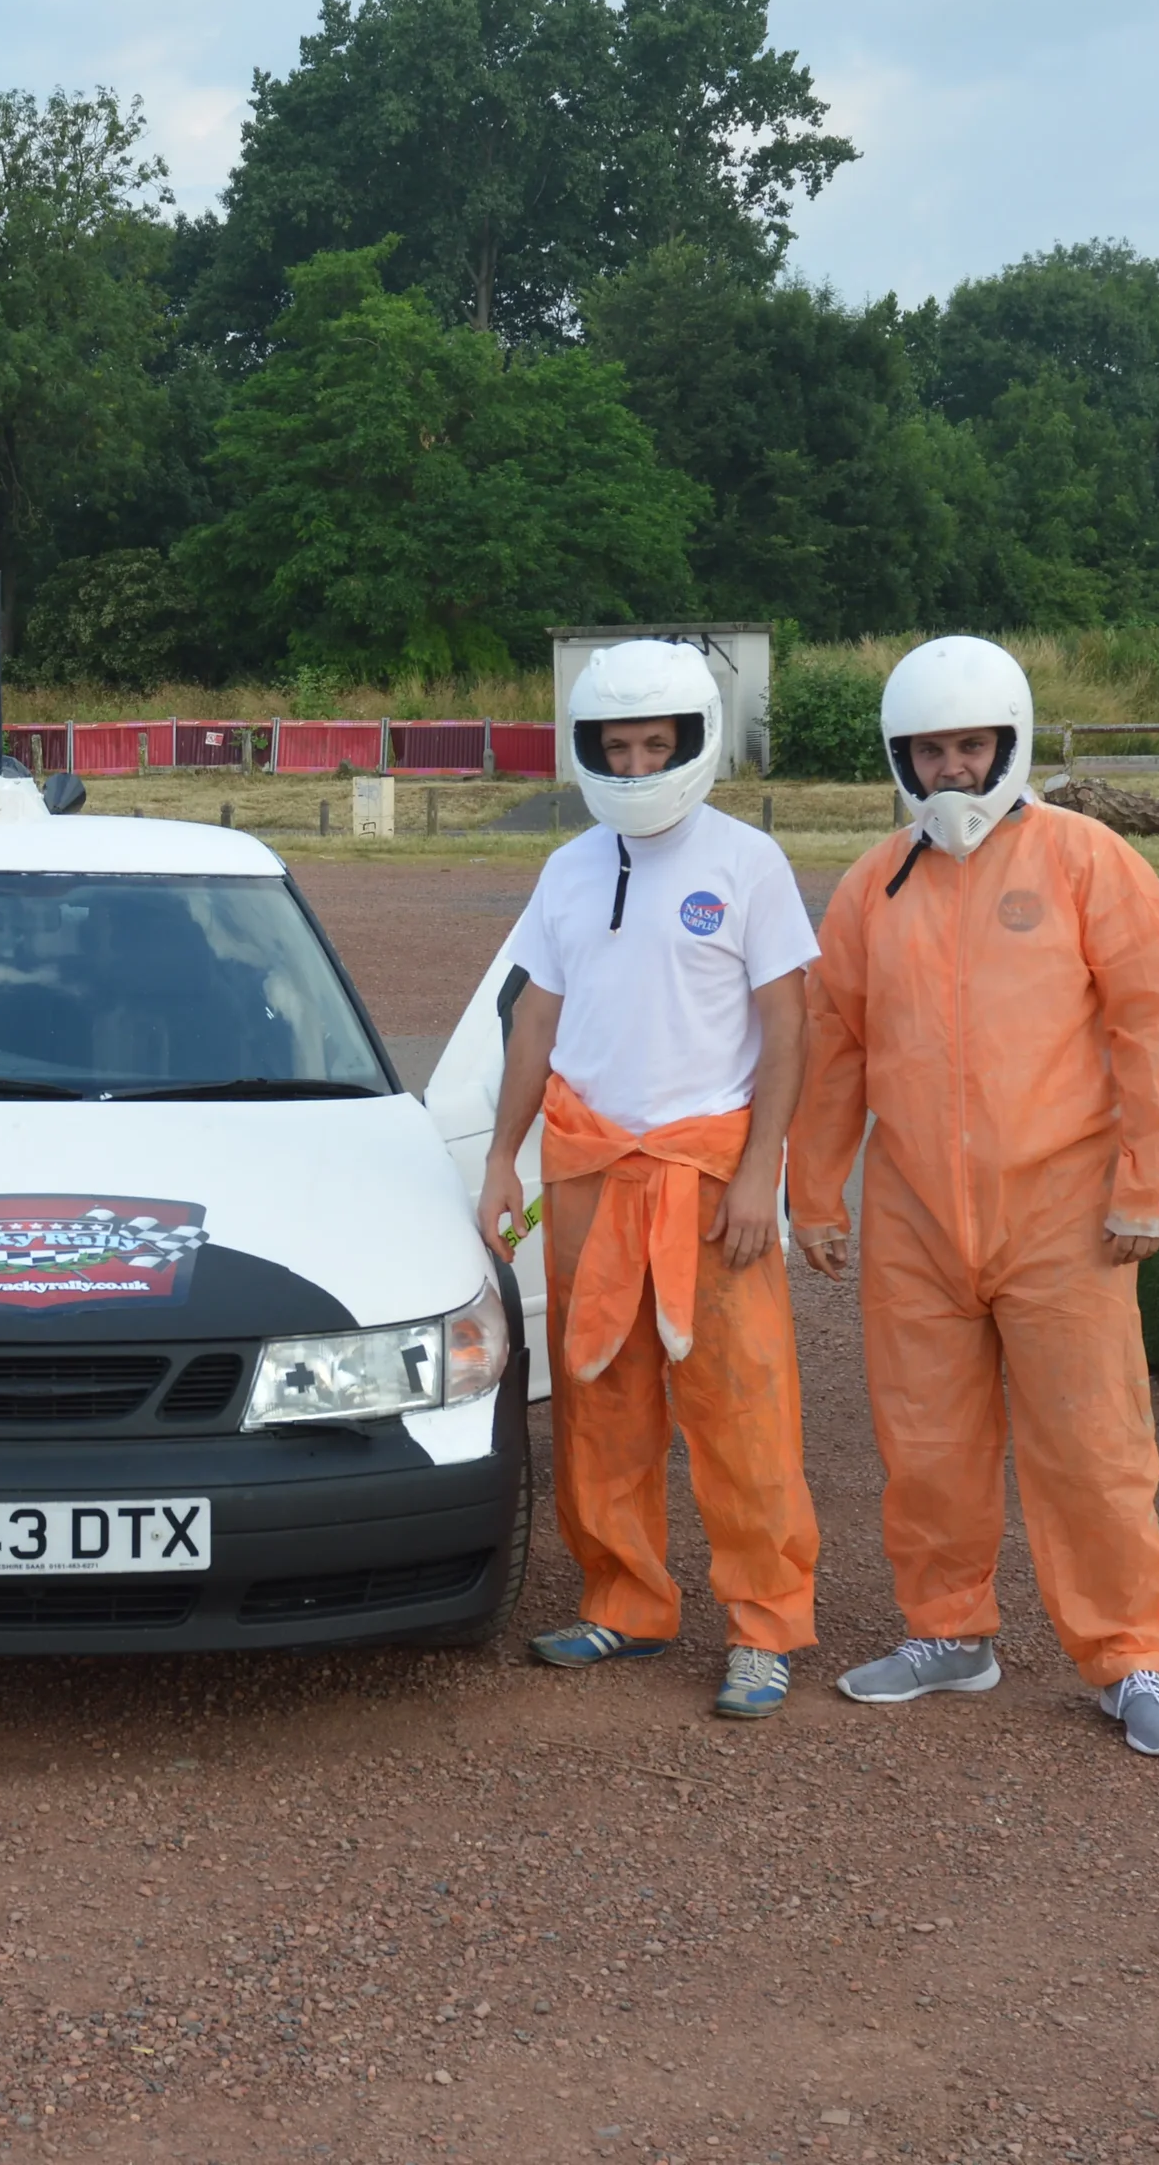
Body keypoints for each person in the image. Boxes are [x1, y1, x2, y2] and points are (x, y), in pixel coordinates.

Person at [790, 635, 1159, 1757]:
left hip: (1065, 1212)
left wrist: (1144, 1184)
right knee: (925, 1440)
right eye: (930, 751)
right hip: (915, 1215)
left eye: (971, 746)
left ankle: (1130, 1656)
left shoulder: (1087, 860)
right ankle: (947, 1632)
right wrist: (815, 1194)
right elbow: (834, 1050)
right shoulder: (870, 884)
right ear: (901, 757)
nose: (952, 771)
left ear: (1008, 744)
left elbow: (1150, 1031)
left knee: (1091, 1444)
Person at [478, 640, 822, 1720]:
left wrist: (762, 1164)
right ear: (589, 751)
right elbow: (535, 1015)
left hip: (707, 1173)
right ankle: (624, 1601)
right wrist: (501, 1152)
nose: (633, 766)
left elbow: (788, 1019)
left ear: (689, 743)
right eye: (614, 747)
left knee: (741, 1407)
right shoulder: (567, 867)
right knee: (599, 1400)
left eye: (652, 745)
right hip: (587, 1169)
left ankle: (763, 1628)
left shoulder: (745, 861)